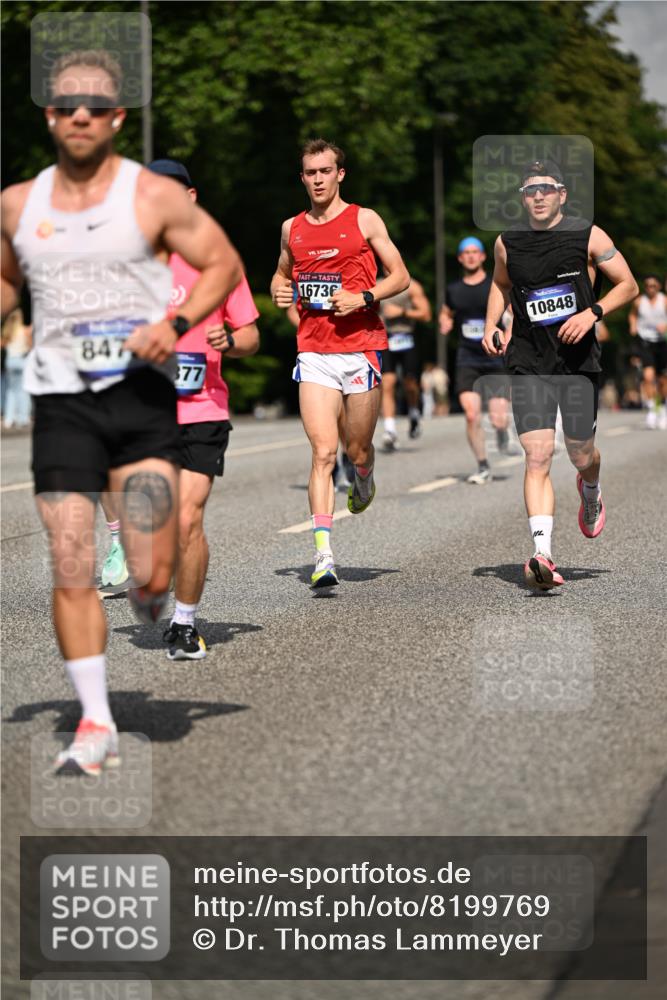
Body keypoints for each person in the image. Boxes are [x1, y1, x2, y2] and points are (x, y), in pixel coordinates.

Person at [0, 50, 242, 772]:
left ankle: (152, 594)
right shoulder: (17, 204)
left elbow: (223, 265)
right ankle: (96, 721)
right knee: (71, 554)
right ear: (49, 114)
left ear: (116, 119)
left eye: (95, 107)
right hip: (64, 400)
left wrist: (175, 323)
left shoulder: (154, 200)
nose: (80, 116)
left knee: (149, 568)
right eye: (67, 105)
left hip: (139, 399)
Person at [101, 158, 260, 658]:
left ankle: (185, 622)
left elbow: (252, 336)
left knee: (188, 519)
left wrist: (230, 339)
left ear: (190, 199)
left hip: (202, 408)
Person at [483, 158, 638, 591]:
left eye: (546, 189)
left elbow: (628, 284)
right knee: (536, 455)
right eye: (530, 190)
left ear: (561, 194)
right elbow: (500, 285)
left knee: (581, 454)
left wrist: (593, 313)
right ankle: (542, 552)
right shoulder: (506, 242)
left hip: (577, 364)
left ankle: (591, 489)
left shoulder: (588, 235)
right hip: (527, 360)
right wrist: (492, 324)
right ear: (522, 198)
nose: (537, 196)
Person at [271, 138, 409, 588]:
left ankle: (365, 475)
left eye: (325, 171)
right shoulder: (292, 227)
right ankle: (324, 556)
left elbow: (401, 276)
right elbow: (282, 271)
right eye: (310, 173)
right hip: (313, 351)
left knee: (357, 449)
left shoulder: (364, 219)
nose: (317, 179)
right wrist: (278, 288)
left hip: (361, 347)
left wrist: (364, 297)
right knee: (323, 452)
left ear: (339, 174)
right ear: (302, 177)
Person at [439, 236, 513, 485]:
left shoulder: (495, 285)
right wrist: (445, 321)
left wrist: (508, 333)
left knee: (498, 418)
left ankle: (502, 431)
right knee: (471, 415)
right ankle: (482, 465)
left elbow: (511, 313)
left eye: (475, 252)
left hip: (495, 355)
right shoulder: (454, 289)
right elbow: (446, 311)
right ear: (460, 258)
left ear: (483, 256)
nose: (471, 256)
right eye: (466, 253)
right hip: (467, 357)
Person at [379, 276, 431, 448]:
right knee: (388, 382)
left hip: (407, 337)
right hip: (385, 338)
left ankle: (414, 412)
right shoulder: (375, 283)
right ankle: (389, 430)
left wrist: (402, 312)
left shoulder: (411, 285)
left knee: (411, 384)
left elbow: (426, 314)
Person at [628, 274, 667, 430]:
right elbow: (632, 315)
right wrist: (633, 325)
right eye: (647, 286)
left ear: (658, 287)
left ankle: (663, 409)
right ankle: (652, 410)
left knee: (662, 379)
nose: (650, 289)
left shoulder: (664, 301)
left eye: (653, 286)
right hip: (645, 341)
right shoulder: (639, 302)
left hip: (662, 342)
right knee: (648, 377)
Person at [1, 307, 32, 428]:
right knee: (23, 391)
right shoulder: (24, 331)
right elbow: (30, 345)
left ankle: (9, 419)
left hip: (10, 362)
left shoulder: (8, 332)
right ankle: (22, 418)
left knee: (11, 391)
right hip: (21, 361)